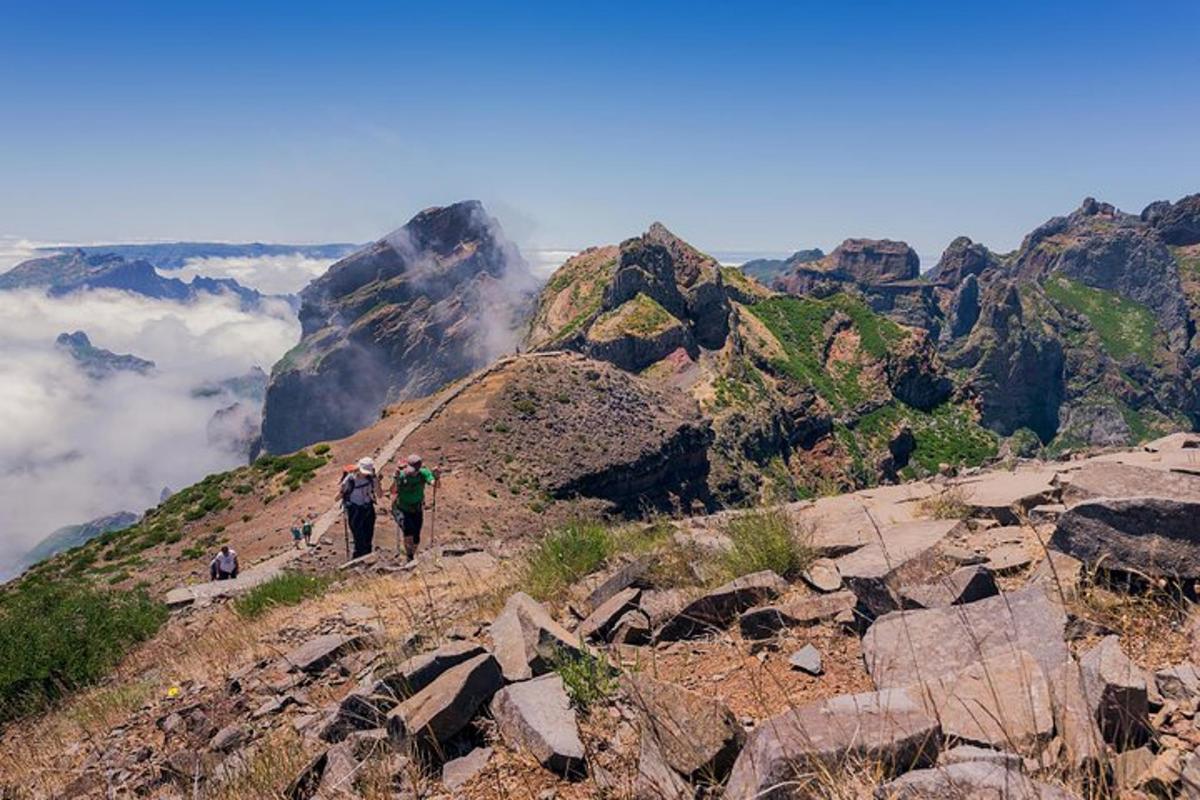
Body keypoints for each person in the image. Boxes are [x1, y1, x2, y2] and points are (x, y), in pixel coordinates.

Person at [390, 453, 436, 561]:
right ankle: (409, 556)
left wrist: (436, 477)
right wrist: (396, 480)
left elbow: (435, 484)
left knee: (416, 537)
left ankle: (411, 554)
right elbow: (393, 491)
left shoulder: (424, 473)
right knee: (408, 532)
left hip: (417, 508)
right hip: (402, 508)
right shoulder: (401, 475)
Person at [341, 456, 379, 559]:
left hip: (367, 509)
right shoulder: (350, 479)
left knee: (368, 538)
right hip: (355, 510)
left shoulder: (371, 478)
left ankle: (366, 559)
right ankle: (359, 560)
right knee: (359, 539)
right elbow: (341, 494)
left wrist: (376, 480)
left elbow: (379, 494)